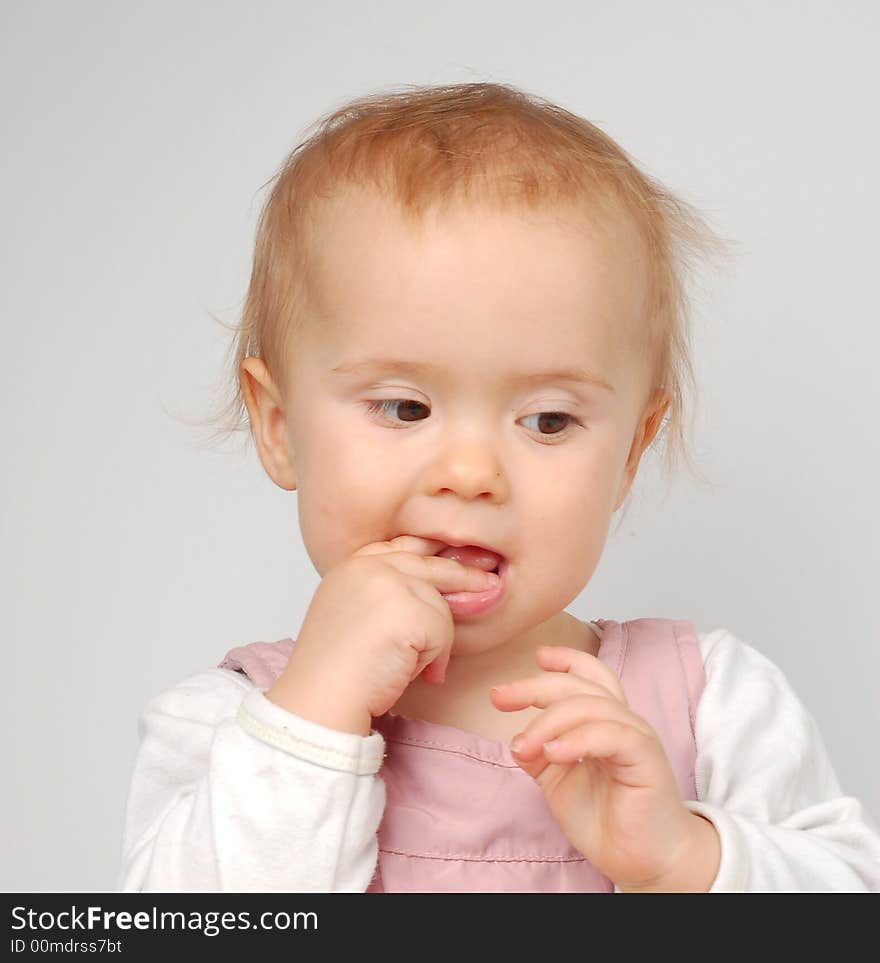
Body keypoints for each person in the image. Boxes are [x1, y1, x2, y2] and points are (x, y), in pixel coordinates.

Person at [118, 82, 880, 893]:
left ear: (629, 452)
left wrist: (684, 856)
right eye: (405, 406)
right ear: (278, 425)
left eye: (548, 421)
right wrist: (312, 718)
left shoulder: (712, 704)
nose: (473, 475)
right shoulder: (230, 723)